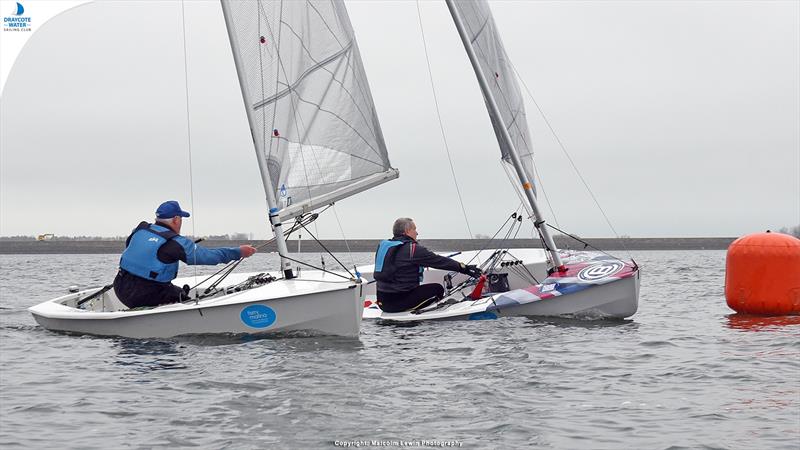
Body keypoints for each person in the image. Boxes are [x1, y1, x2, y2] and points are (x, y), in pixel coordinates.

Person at [113, 200, 257, 309]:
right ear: (176, 219)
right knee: (185, 302)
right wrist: (239, 252)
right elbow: (208, 256)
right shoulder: (175, 242)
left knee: (178, 292)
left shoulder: (140, 229)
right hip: (145, 295)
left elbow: (133, 248)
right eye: (181, 219)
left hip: (120, 287)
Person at [373, 217, 482, 313]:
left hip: (382, 302)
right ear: (406, 231)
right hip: (398, 303)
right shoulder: (413, 249)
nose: (417, 233)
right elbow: (439, 261)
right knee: (438, 289)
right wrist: (465, 269)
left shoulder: (385, 246)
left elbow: (398, 265)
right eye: (414, 229)